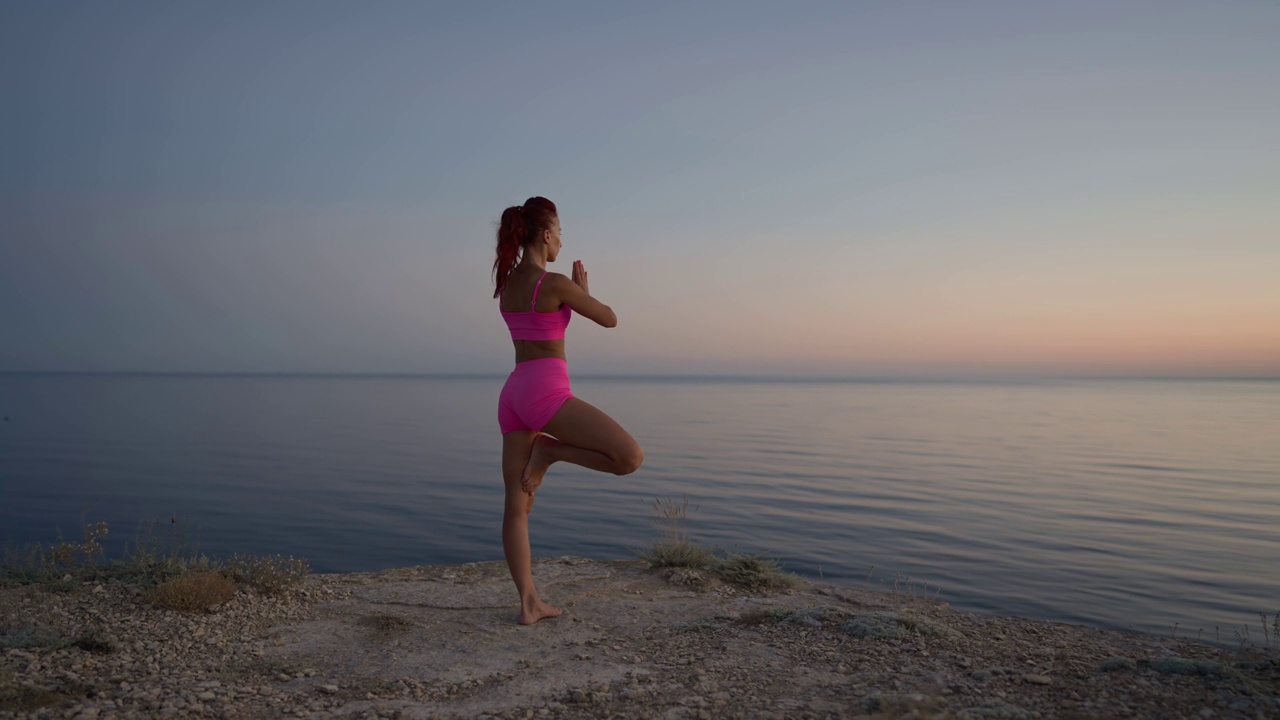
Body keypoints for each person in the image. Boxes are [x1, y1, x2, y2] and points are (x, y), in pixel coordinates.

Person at [493, 196, 644, 625]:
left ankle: (528, 603)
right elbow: (610, 319)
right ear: (545, 235)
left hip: (514, 392)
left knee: (515, 505)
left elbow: (540, 327)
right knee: (629, 457)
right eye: (559, 232)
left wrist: (574, 295)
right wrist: (583, 293)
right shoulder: (554, 283)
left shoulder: (507, 286)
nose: (561, 240)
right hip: (545, 391)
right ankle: (552, 452)